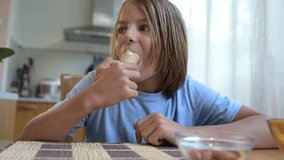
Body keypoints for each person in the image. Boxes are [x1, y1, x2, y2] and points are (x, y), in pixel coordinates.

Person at [18, 0, 276, 149]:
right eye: (121, 29)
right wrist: (90, 98)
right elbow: (29, 139)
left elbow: (268, 127)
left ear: (170, 43)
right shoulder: (96, 85)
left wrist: (184, 134)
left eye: (144, 27)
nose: (127, 36)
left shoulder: (188, 92)